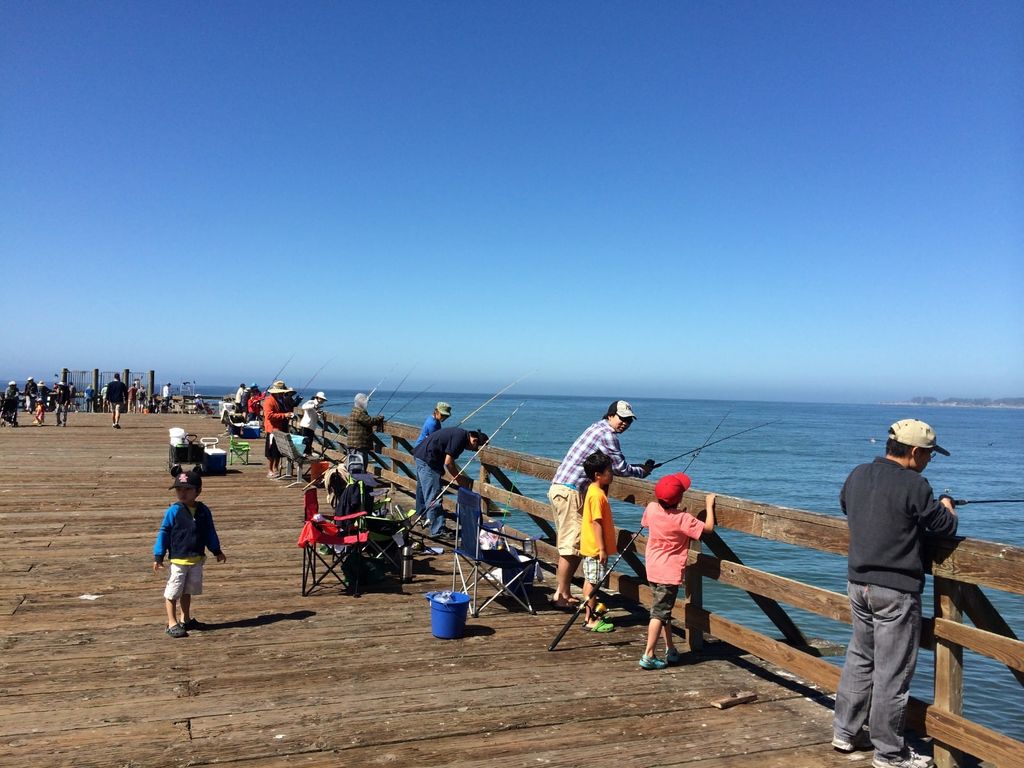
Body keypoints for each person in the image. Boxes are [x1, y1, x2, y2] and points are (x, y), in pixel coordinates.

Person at [832, 419, 958, 768]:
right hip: (896, 590)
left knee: (860, 657)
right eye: (930, 455)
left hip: (859, 583)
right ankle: (890, 753)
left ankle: (845, 732)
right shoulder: (915, 484)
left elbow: (847, 506)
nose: (930, 460)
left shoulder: (858, 473)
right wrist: (947, 505)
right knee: (893, 672)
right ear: (915, 452)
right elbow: (944, 525)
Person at [547, 400, 654, 609]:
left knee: (572, 543)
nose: (624, 423)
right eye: (622, 418)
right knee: (571, 546)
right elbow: (620, 467)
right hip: (570, 491)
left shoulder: (596, 427)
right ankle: (561, 595)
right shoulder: (608, 434)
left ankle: (563, 592)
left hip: (563, 489)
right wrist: (643, 471)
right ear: (611, 415)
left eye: (628, 421)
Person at [638, 473, 716, 669]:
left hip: (653, 567)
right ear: (679, 498)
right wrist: (709, 505)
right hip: (668, 573)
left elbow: (648, 522)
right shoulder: (683, 518)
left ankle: (670, 648)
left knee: (663, 611)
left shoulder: (652, 508)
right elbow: (708, 528)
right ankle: (648, 655)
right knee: (658, 613)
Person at [152, 468, 226, 638]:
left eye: (187, 489)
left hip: (196, 558)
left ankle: (185, 618)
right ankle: (171, 622)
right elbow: (164, 532)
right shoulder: (174, 511)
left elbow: (209, 532)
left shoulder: (203, 511)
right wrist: (159, 555)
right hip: (178, 559)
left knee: (187, 590)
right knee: (173, 591)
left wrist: (216, 550)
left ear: (198, 491)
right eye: (179, 490)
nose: (182, 493)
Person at [413, 426, 488, 538]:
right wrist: (459, 479)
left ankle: (423, 516)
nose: (473, 450)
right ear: (474, 440)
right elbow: (449, 463)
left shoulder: (460, 433)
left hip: (420, 455)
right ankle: (437, 529)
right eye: (475, 448)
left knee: (423, 489)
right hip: (428, 460)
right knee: (434, 495)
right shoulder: (460, 439)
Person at [579, 450, 616, 632]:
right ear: (598, 475)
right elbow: (596, 522)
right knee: (594, 584)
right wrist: (602, 548)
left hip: (589, 546)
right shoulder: (597, 495)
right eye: (609, 470)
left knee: (589, 580)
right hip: (595, 548)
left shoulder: (593, 490)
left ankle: (589, 613)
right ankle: (590, 619)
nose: (612, 473)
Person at [262, 380, 296, 479]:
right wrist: (284, 415)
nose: (282, 393)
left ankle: (276, 468)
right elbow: (269, 415)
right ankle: (270, 470)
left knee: (279, 451)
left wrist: (288, 415)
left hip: (282, 428)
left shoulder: (282, 400)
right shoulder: (269, 401)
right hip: (273, 429)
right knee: (271, 451)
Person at [346, 393, 384, 473]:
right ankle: (358, 483)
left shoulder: (354, 411)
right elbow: (369, 421)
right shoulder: (359, 412)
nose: (367, 403)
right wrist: (380, 418)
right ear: (361, 402)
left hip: (354, 444)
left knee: (354, 465)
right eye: (366, 402)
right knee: (359, 466)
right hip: (358, 445)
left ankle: (353, 483)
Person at [298, 391, 328, 455]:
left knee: (309, 443)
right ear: (318, 398)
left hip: (312, 427)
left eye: (323, 400)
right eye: (322, 399)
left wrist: (319, 414)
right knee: (304, 443)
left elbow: (317, 418)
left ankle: (307, 455)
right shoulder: (311, 402)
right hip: (305, 426)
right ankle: (302, 456)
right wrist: (313, 406)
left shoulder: (318, 406)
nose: (323, 401)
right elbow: (303, 407)